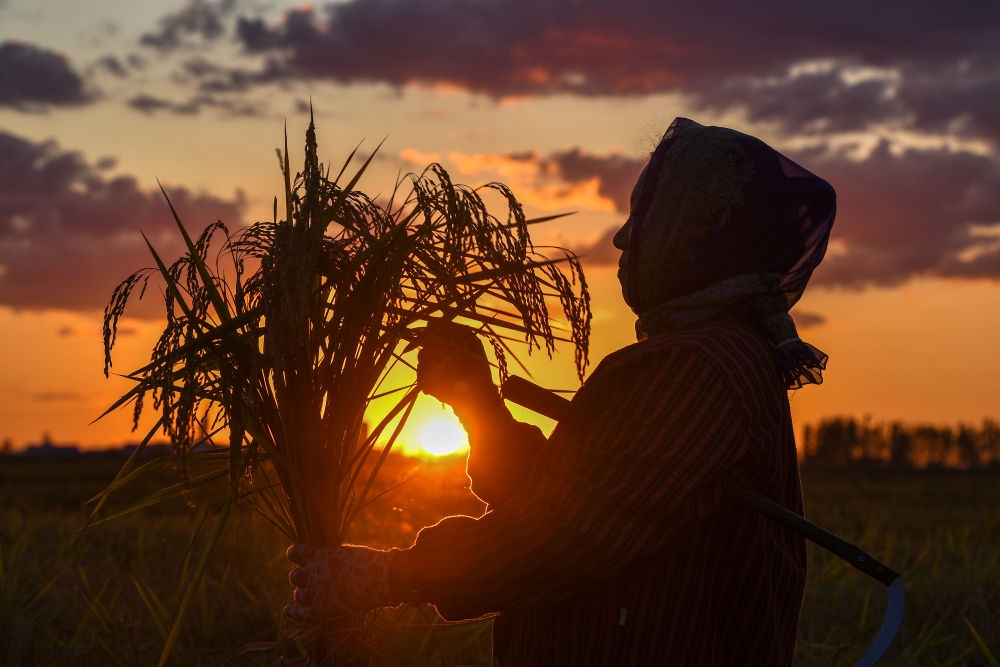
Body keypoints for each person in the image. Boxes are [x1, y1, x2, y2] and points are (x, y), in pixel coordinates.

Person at [285, 117, 837, 665]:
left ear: (696, 229)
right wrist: (478, 406)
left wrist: (392, 574)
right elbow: (582, 496)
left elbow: (569, 535)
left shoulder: (696, 367)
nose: (624, 235)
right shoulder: (706, 355)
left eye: (647, 213)